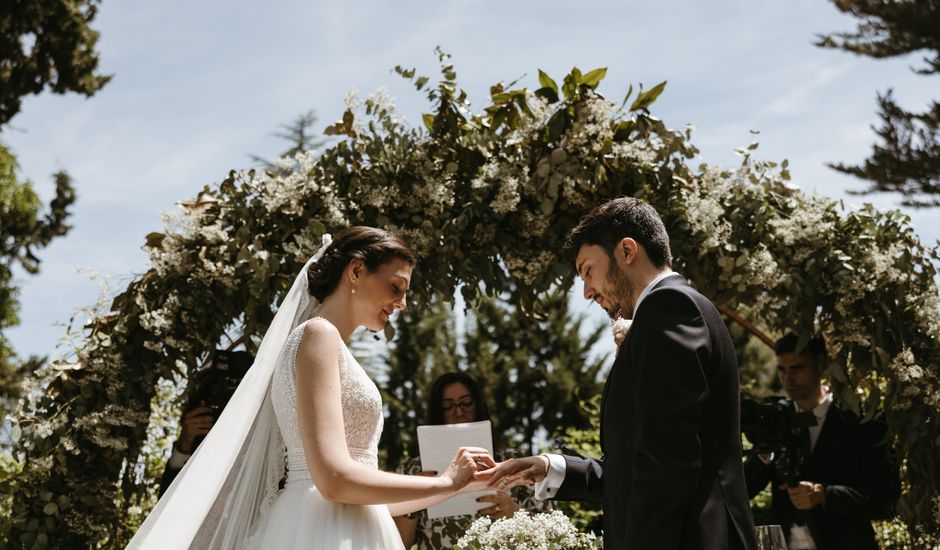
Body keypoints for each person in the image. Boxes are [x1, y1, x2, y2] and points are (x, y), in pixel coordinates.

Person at [128, 227, 494, 549]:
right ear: (356, 270)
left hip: (348, 526)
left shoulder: (326, 344)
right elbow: (333, 481)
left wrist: (464, 485)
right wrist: (445, 482)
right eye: (396, 286)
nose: (402, 303)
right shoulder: (318, 336)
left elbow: (360, 498)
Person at [481, 197, 758, 550]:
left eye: (588, 271)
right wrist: (553, 467)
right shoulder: (666, 313)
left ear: (627, 250)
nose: (586, 291)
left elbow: (667, 466)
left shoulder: (669, 307)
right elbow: (640, 463)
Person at [743, 333, 900, 550]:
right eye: (782, 369)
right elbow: (745, 488)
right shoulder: (778, 417)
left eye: (797, 368)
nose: (788, 378)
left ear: (821, 366)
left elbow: (886, 499)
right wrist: (763, 453)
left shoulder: (862, 420)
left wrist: (824, 495)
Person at [393, 372, 549, 549]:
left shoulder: (514, 464)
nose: (458, 412)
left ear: (478, 405)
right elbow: (398, 545)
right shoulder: (413, 470)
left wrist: (516, 513)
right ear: (438, 411)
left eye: (466, 403)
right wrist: (414, 499)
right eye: (447, 406)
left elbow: (552, 535)